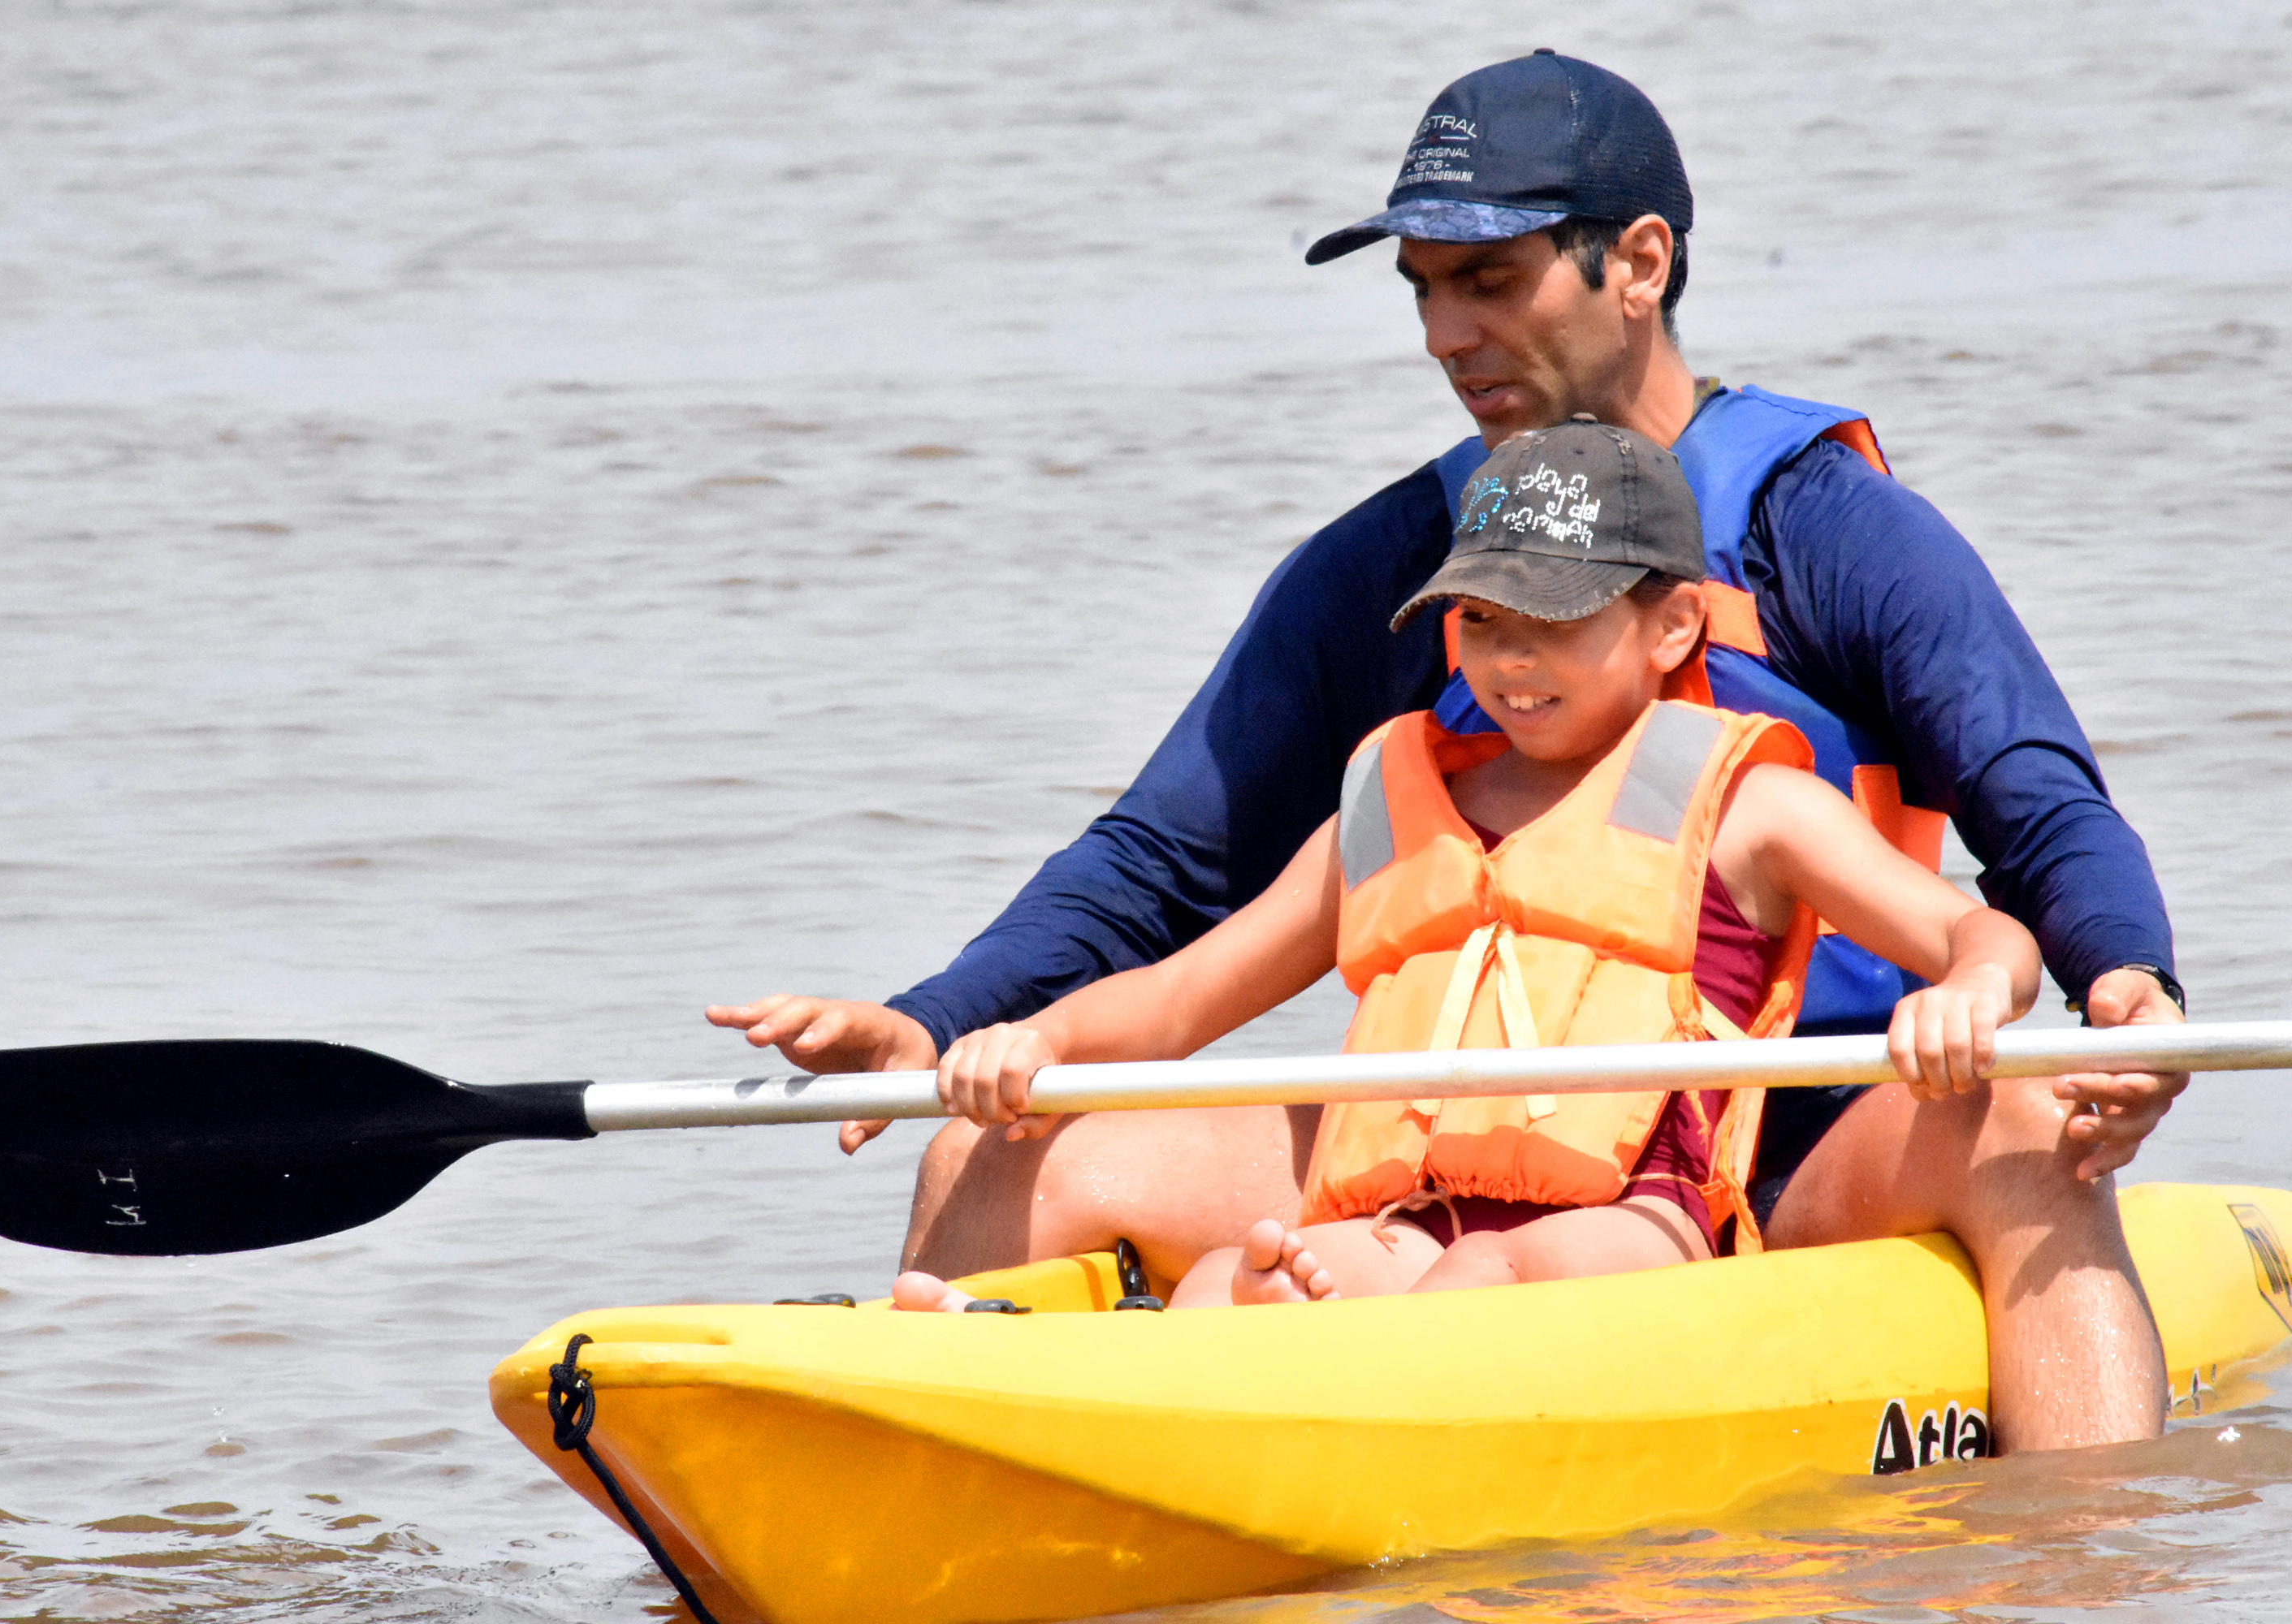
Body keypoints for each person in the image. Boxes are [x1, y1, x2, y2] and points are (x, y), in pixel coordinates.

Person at [707, 53, 2185, 1452]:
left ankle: (2096, 1539)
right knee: (998, 1146)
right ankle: (960, 1476)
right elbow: (1165, 862)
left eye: (1488, 279)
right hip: (1438, 1147)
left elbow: (2032, 797)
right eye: (1423, 290)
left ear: (1641, 264)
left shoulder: (1827, 531)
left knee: (2035, 1119)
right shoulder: (1403, 564)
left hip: (1780, 1135)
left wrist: (2125, 981)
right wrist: (942, 1019)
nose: (1443, 335)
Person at [884, 419, 2045, 1315]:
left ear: (1676, 628)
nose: (1510, 661)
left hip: (1638, 1232)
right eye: (1481, 622)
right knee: (1226, 1287)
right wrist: (1046, 1042)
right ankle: (1079, 1391)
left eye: (1554, 622)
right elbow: (1184, 994)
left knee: (1493, 1271)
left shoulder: (1757, 808)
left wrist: (1974, 993)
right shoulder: (1388, 811)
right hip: (1415, 1219)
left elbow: (1977, 935)